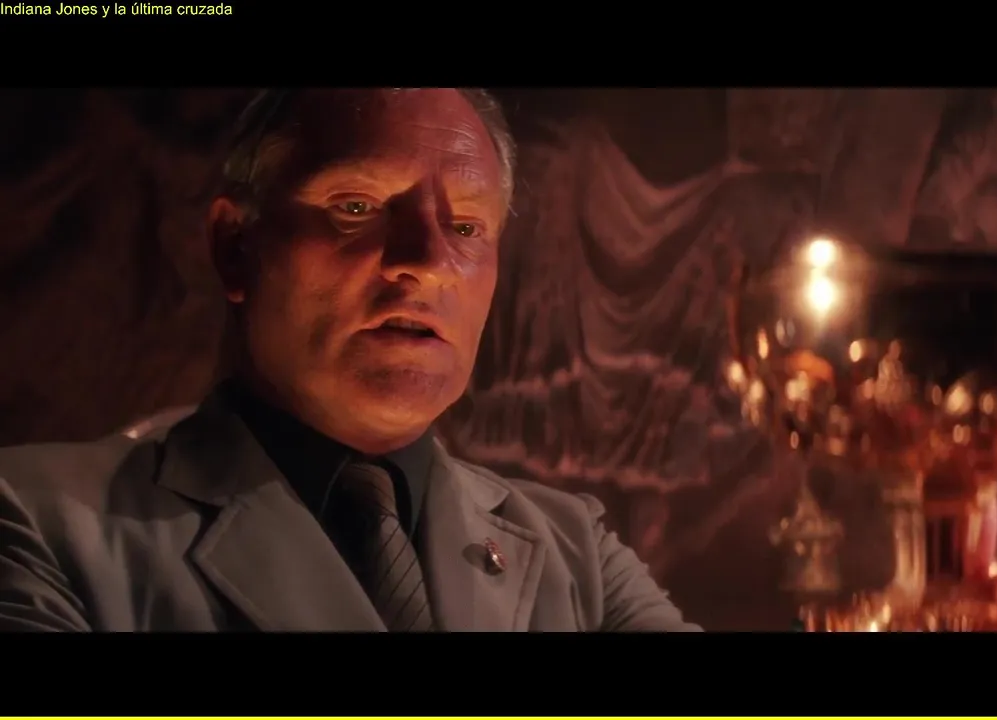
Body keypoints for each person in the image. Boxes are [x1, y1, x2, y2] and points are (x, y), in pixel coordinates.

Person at [0, 88, 700, 632]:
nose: (428, 262)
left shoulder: (578, 555)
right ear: (235, 246)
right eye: (358, 207)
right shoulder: (37, 522)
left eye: (465, 226)